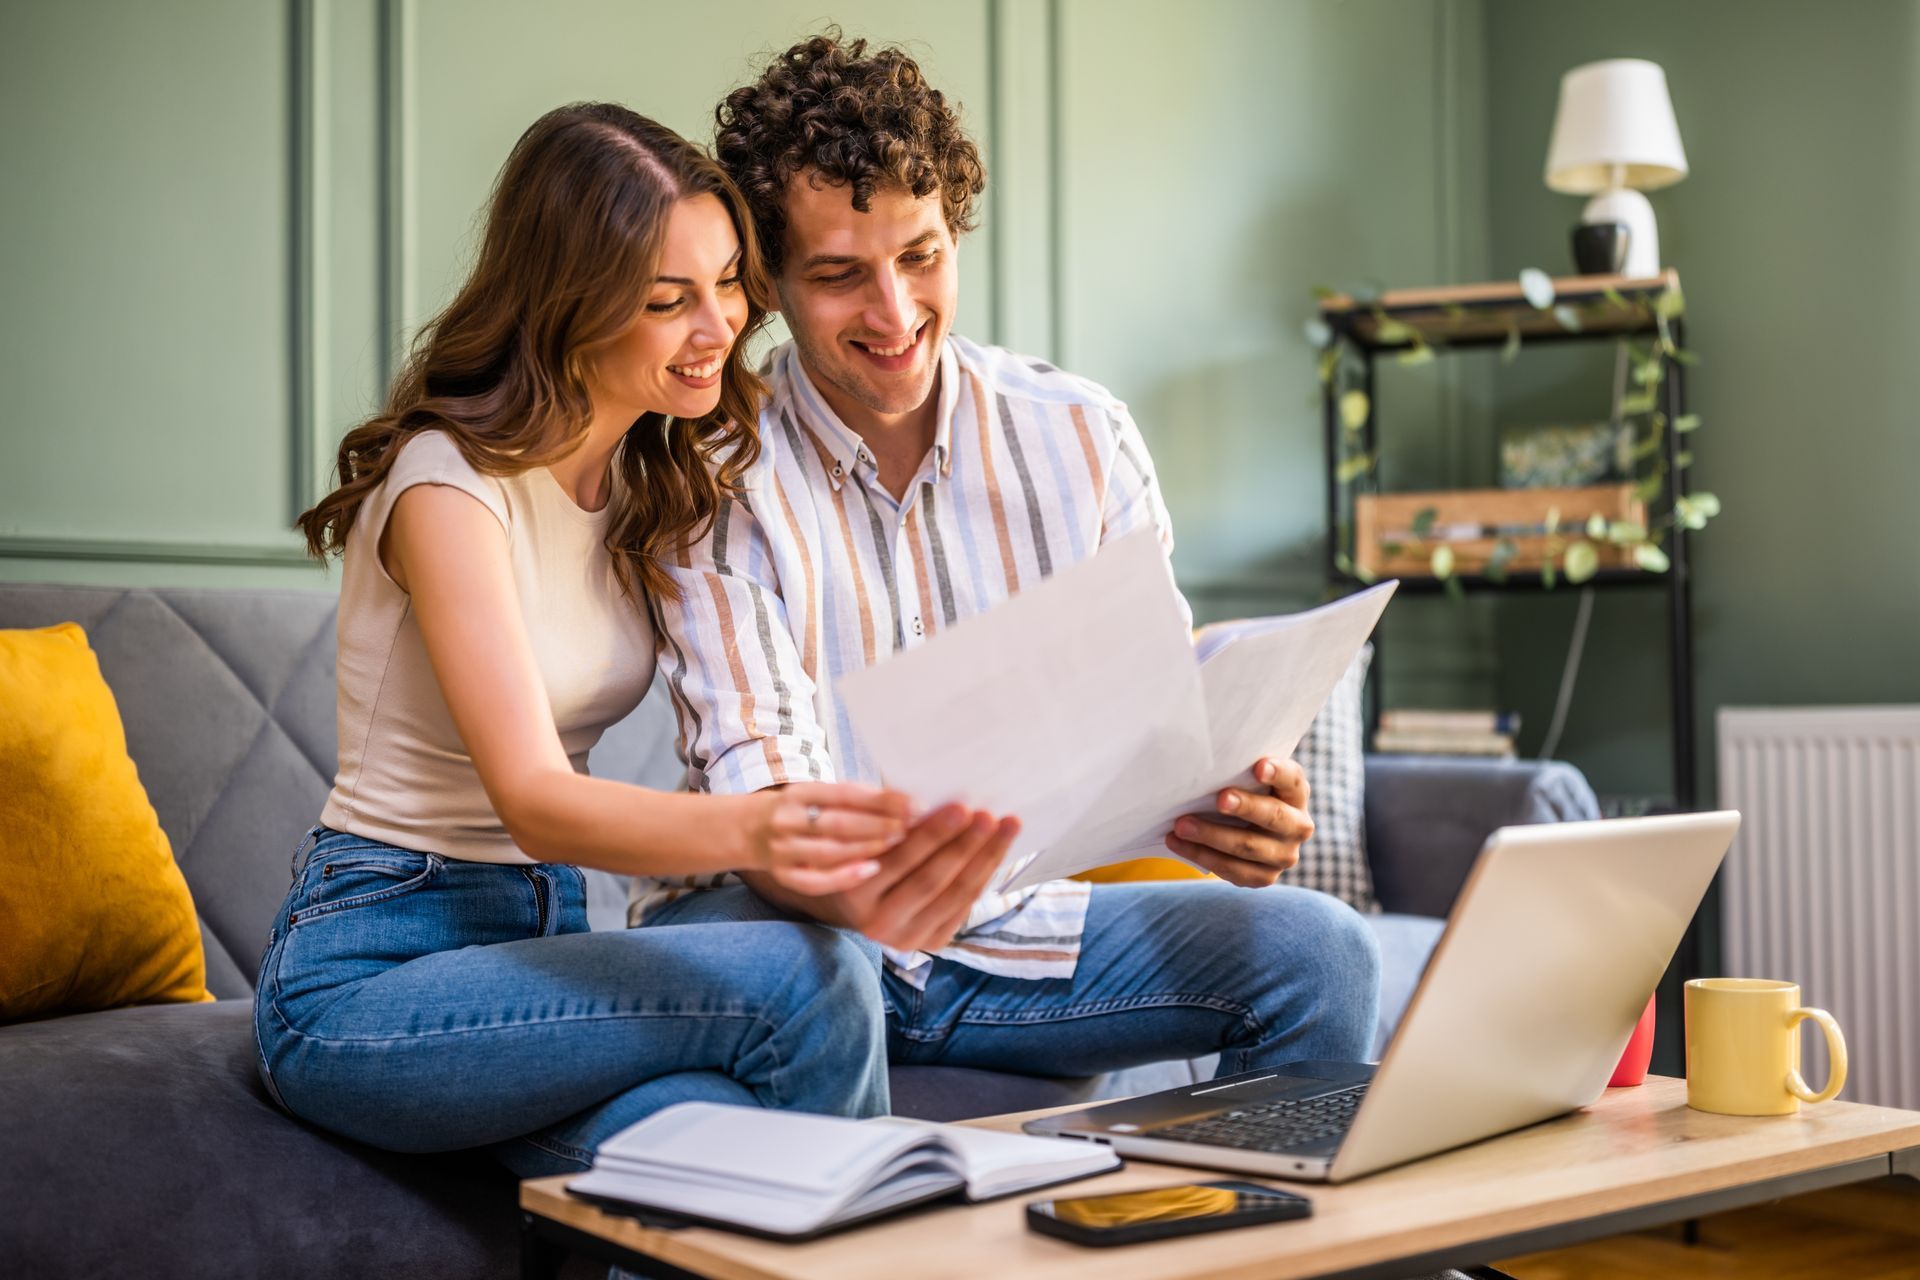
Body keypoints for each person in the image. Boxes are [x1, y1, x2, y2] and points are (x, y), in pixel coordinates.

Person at [253, 103, 1020, 1174]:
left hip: (538, 951)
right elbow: (534, 798)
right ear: (569, 306)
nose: (720, 326)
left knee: (714, 1150)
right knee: (818, 972)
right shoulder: (447, 486)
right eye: (669, 301)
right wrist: (767, 831)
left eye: (727, 284)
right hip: (371, 969)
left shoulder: (646, 481)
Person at [631, 36, 1381, 1105]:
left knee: (1321, 950)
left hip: (1009, 932)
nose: (895, 315)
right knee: (814, 967)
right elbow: (765, 800)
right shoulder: (713, 477)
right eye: (841, 275)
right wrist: (875, 877)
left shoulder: (1079, 436)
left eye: (923, 256)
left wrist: (1223, 807)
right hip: (789, 934)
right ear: (768, 285)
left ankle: (1226, 1247)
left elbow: (1154, 725)